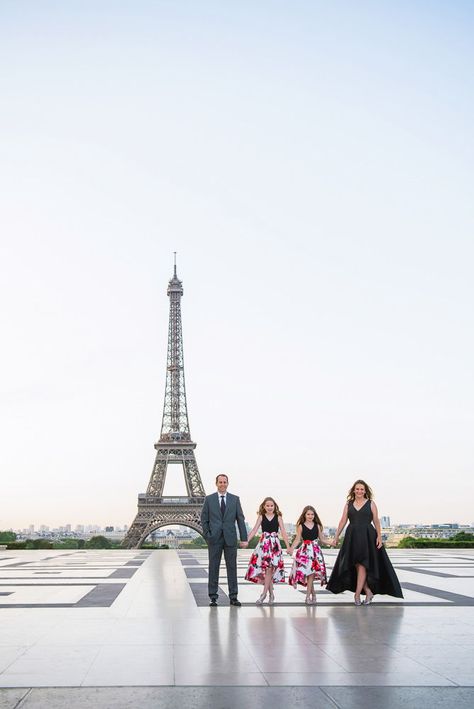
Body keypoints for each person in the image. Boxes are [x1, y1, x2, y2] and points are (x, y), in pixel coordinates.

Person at [326, 479, 403, 605]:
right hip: (352, 536)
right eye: (357, 489)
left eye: (362, 489)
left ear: (365, 491)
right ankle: (367, 591)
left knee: (362, 565)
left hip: (367, 536)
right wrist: (336, 537)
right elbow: (342, 521)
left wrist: (379, 536)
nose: (359, 491)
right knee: (356, 565)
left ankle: (357, 595)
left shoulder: (371, 503)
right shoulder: (348, 504)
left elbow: (376, 521)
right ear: (353, 490)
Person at [200, 473, 248, 606]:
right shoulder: (209, 499)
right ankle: (213, 597)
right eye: (220, 482)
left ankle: (233, 596)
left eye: (224, 482)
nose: (222, 484)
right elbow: (204, 519)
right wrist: (207, 535)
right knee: (213, 567)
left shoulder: (235, 499)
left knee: (232, 567)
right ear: (216, 483)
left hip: (230, 538)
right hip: (214, 538)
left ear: (228, 483)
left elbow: (240, 519)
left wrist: (244, 538)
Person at [244, 497, 290, 604]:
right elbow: (254, 530)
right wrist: (246, 541)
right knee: (268, 570)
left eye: (271, 505)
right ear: (264, 507)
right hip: (264, 545)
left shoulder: (278, 517)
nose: (269, 507)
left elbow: (283, 532)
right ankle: (271, 594)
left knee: (269, 570)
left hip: (274, 546)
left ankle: (263, 594)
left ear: (275, 506)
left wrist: (288, 546)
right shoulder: (261, 517)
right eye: (267, 505)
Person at [287, 505, 333, 604]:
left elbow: (322, 539)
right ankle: (313, 595)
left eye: (312, 514)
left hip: (315, 552)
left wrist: (331, 542)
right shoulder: (300, 526)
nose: (310, 516)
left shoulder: (317, 526)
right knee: (308, 574)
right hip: (304, 552)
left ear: (314, 515)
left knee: (311, 573)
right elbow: (297, 539)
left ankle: (308, 597)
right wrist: (291, 549)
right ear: (304, 515)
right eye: (308, 514)